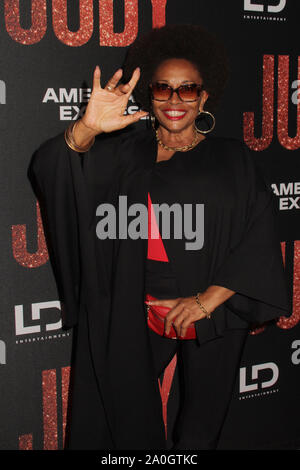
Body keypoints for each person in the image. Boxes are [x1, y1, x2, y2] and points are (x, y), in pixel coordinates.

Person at [28, 24, 290, 450]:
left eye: (188, 89)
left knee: (202, 428)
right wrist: (87, 129)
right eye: (163, 88)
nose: (174, 99)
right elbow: (51, 168)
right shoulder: (121, 151)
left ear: (204, 96)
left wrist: (204, 302)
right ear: (150, 94)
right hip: (134, 307)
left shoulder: (231, 158)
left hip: (215, 309)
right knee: (120, 422)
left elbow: (257, 237)